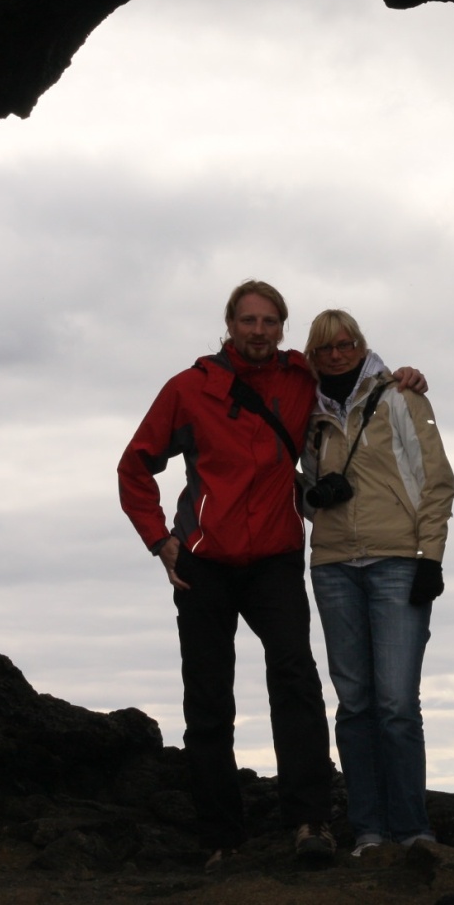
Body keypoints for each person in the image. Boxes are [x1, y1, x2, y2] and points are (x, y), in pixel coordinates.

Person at [117, 281, 423, 869]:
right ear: (229, 323)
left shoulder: (299, 378)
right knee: (208, 702)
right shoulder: (189, 389)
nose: (258, 330)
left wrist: (403, 377)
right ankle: (221, 839)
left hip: (276, 557)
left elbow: (353, 381)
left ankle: (309, 821)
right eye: (248, 320)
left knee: (297, 685)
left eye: (269, 321)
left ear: (282, 327)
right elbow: (135, 465)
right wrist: (159, 539)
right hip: (203, 563)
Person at [301, 309, 454, 856]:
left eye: (346, 345)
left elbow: (437, 482)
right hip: (333, 564)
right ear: (313, 357)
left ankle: (413, 830)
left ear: (361, 345)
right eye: (325, 349)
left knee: (395, 704)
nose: (338, 355)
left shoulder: (401, 397)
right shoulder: (308, 414)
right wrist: (310, 497)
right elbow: (299, 488)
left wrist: (429, 559)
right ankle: (369, 831)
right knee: (355, 704)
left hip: (397, 561)